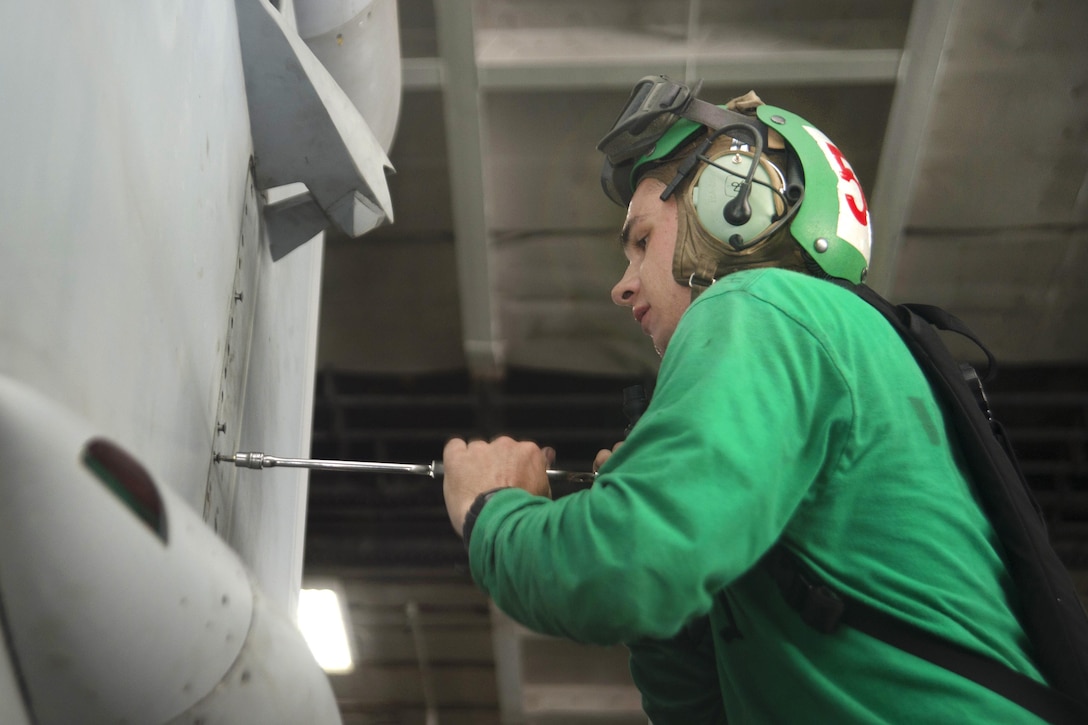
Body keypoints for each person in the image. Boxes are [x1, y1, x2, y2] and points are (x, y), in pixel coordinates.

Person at [441, 76, 1049, 723]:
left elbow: (628, 570)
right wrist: (674, 603)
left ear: (738, 205)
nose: (622, 287)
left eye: (642, 239)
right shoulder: (841, 347)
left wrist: (494, 512)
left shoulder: (760, 303)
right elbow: (705, 711)